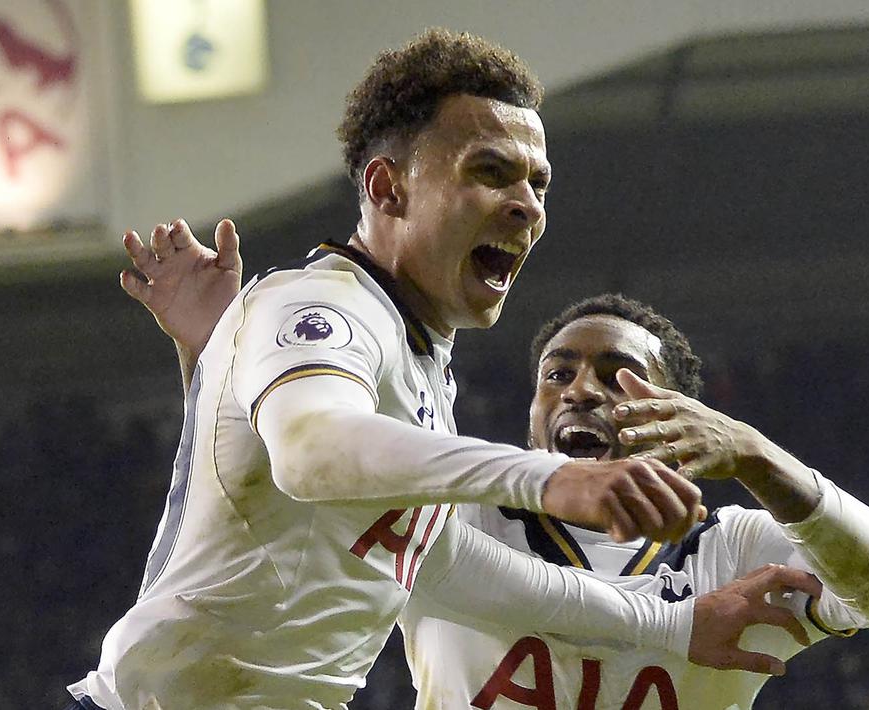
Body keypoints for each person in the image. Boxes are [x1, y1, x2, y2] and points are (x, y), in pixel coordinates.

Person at [67, 29, 724, 710]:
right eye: (490, 171)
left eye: (538, 182)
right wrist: (547, 478)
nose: (527, 204)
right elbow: (310, 448)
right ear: (388, 189)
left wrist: (670, 624)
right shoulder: (321, 301)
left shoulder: (418, 362)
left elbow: (438, 561)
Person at [119, 240, 869, 708]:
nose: (579, 388)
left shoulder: (733, 549)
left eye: (616, 374)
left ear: (685, 418)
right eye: (557, 371)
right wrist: (223, 356)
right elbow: (303, 485)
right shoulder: (454, 513)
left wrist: (757, 456)